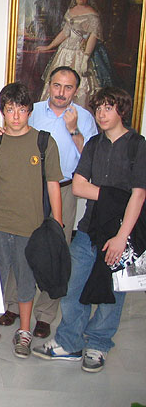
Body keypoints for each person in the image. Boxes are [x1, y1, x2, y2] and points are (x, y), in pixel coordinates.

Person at [33, 87, 146, 373]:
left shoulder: (137, 145)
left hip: (124, 232)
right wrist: (115, 195)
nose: (101, 114)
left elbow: (140, 195)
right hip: (89, 228)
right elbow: (79, 186)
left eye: (109, 108)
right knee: (73, 286)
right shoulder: (94, 143)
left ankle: (98, 343)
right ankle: (69, 342)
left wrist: (122, 238)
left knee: (112, 291)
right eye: (98, 109)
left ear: (121, 110)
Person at [0, 66, 98, 339]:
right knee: (20, 248)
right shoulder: (32, 109)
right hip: (27, 188)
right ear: (49, 85)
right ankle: (14, 306)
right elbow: (16, 133)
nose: (61, 92)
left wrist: (74, 129)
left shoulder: (85, 118)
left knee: (54, 251)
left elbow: (90, 157)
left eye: (68, 87)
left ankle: (44, 314)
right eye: (57, 85)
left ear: (76, 91)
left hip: (62, 188)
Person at [0, 83, 62, 359]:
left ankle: (24, 331)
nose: (15, 116)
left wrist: (57, 225)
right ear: (2, 111)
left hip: (32, 227)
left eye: (22, 110)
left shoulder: (44, 142)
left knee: (27, 282)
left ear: (30, 111)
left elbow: (53, 185)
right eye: (10, 109)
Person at [37, 0, 115, 108]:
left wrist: (85, 58)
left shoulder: (92, 14)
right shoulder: (70, 11)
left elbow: (93, 37)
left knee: (80, 87)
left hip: (81, 53)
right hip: (65, 52)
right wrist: (49, 46)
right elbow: (65, 33)